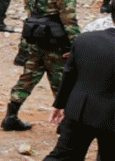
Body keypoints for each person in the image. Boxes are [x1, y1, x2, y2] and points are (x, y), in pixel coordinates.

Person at [1, 0, 84, 132]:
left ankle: (10, 116)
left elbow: (33, 7)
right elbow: (69, 19)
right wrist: (77, 45)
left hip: (37, 36)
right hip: (56, 41)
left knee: (28, 77)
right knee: (61, 81)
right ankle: (65, 124)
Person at [41, 12, 115, 160]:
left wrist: (60, 104)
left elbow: (70, 74)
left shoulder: (85, 39)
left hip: (81, 109)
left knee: (64, 155)